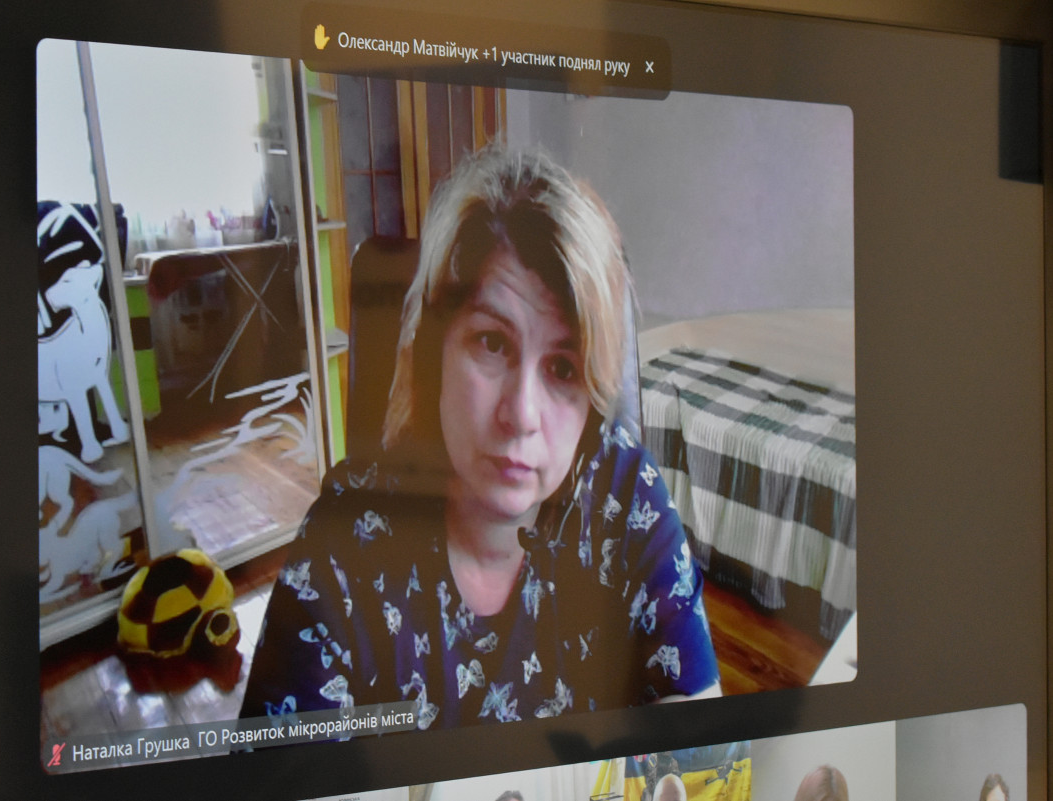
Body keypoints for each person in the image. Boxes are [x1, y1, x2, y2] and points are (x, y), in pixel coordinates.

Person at [239, 147, 719, 730]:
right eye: (492, 343)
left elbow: (701, 734)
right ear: (433, 352)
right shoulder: (343, 549)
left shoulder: (625, 498)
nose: (521, 414)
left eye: (563, 368)